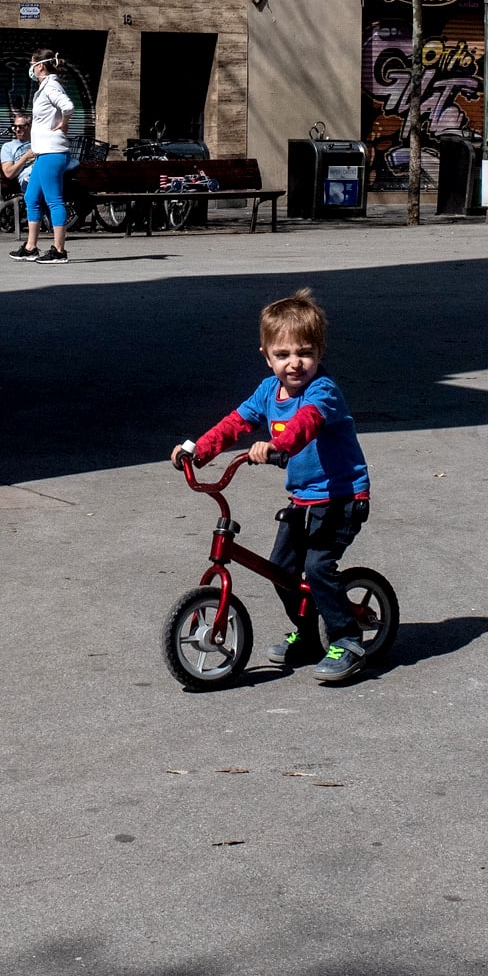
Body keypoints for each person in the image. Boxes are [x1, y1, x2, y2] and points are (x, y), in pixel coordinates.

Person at [172, 291, 374, 683]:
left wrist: (278, 445)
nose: (294, 363)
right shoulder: (268, 391)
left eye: (305, 353)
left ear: (320, 352)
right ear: (267, 356)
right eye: (283, 355)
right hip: (304, 499)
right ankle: (308, 633)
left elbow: (307, 424)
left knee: (317, 567)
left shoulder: (322, 392)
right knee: (280, 569)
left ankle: (347, 639)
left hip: (342, 497)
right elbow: (235, 422)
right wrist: (197, 450)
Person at [15, 48, 73, 265]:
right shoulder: (45, 87)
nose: (30, 68)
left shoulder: (52, 86)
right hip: (42, 153)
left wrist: (64, 122)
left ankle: (59, 251)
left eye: (32, 63)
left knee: (54, 200)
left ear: (40, 65)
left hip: (52, 152)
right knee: (31, 197)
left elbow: (68, 105)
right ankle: (30, 247)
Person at [0, 108, 36, 253]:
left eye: (21, 126)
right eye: (15, 127)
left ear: (30, 127)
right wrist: (25, 157)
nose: (17, 129)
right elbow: (8, 173)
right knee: (36, 194)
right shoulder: (8, 147)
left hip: (42, 176)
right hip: (27, 180)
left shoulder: (38, 142)